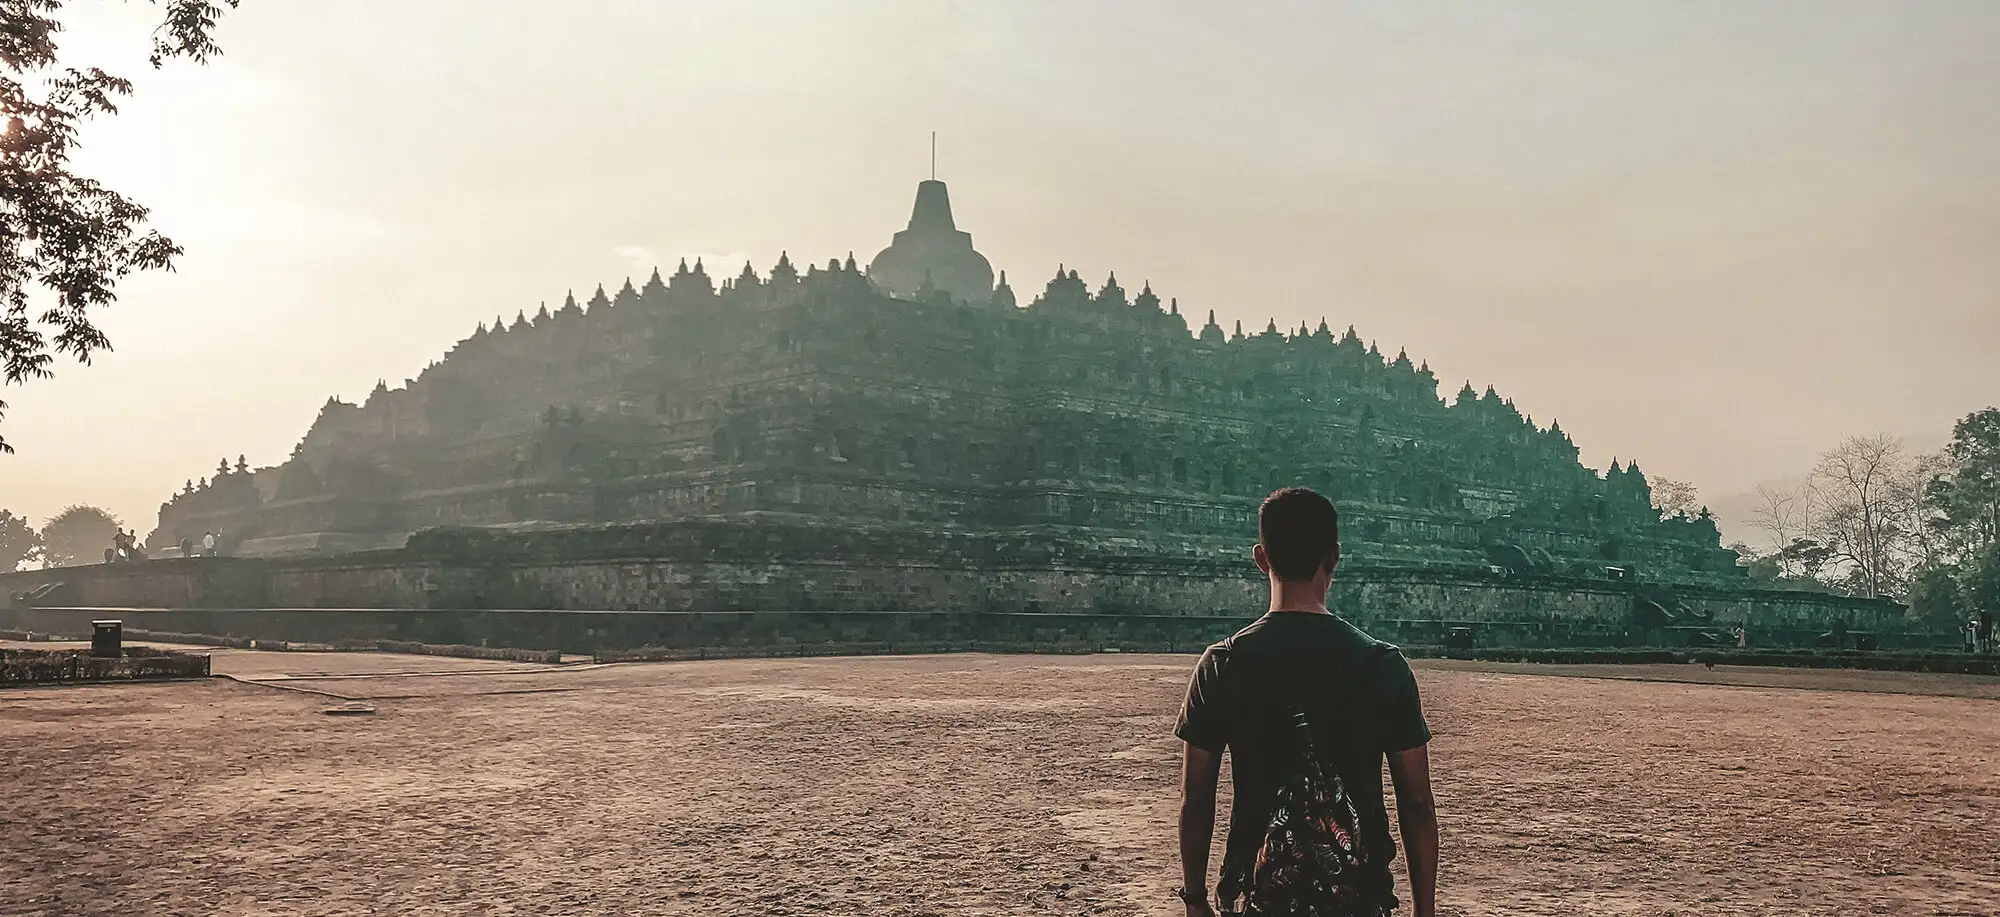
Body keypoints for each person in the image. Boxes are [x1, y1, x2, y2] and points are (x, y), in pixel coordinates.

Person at [1176, 488, 1438, 916]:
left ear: (1261, 558)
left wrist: (1195, 899)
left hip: (1255, 896)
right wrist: (1423, 912)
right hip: (1358, 898)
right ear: (1334, 557)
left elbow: (1197, 797)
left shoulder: (1222, 663)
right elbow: (1416, 804)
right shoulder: (1382, 665)